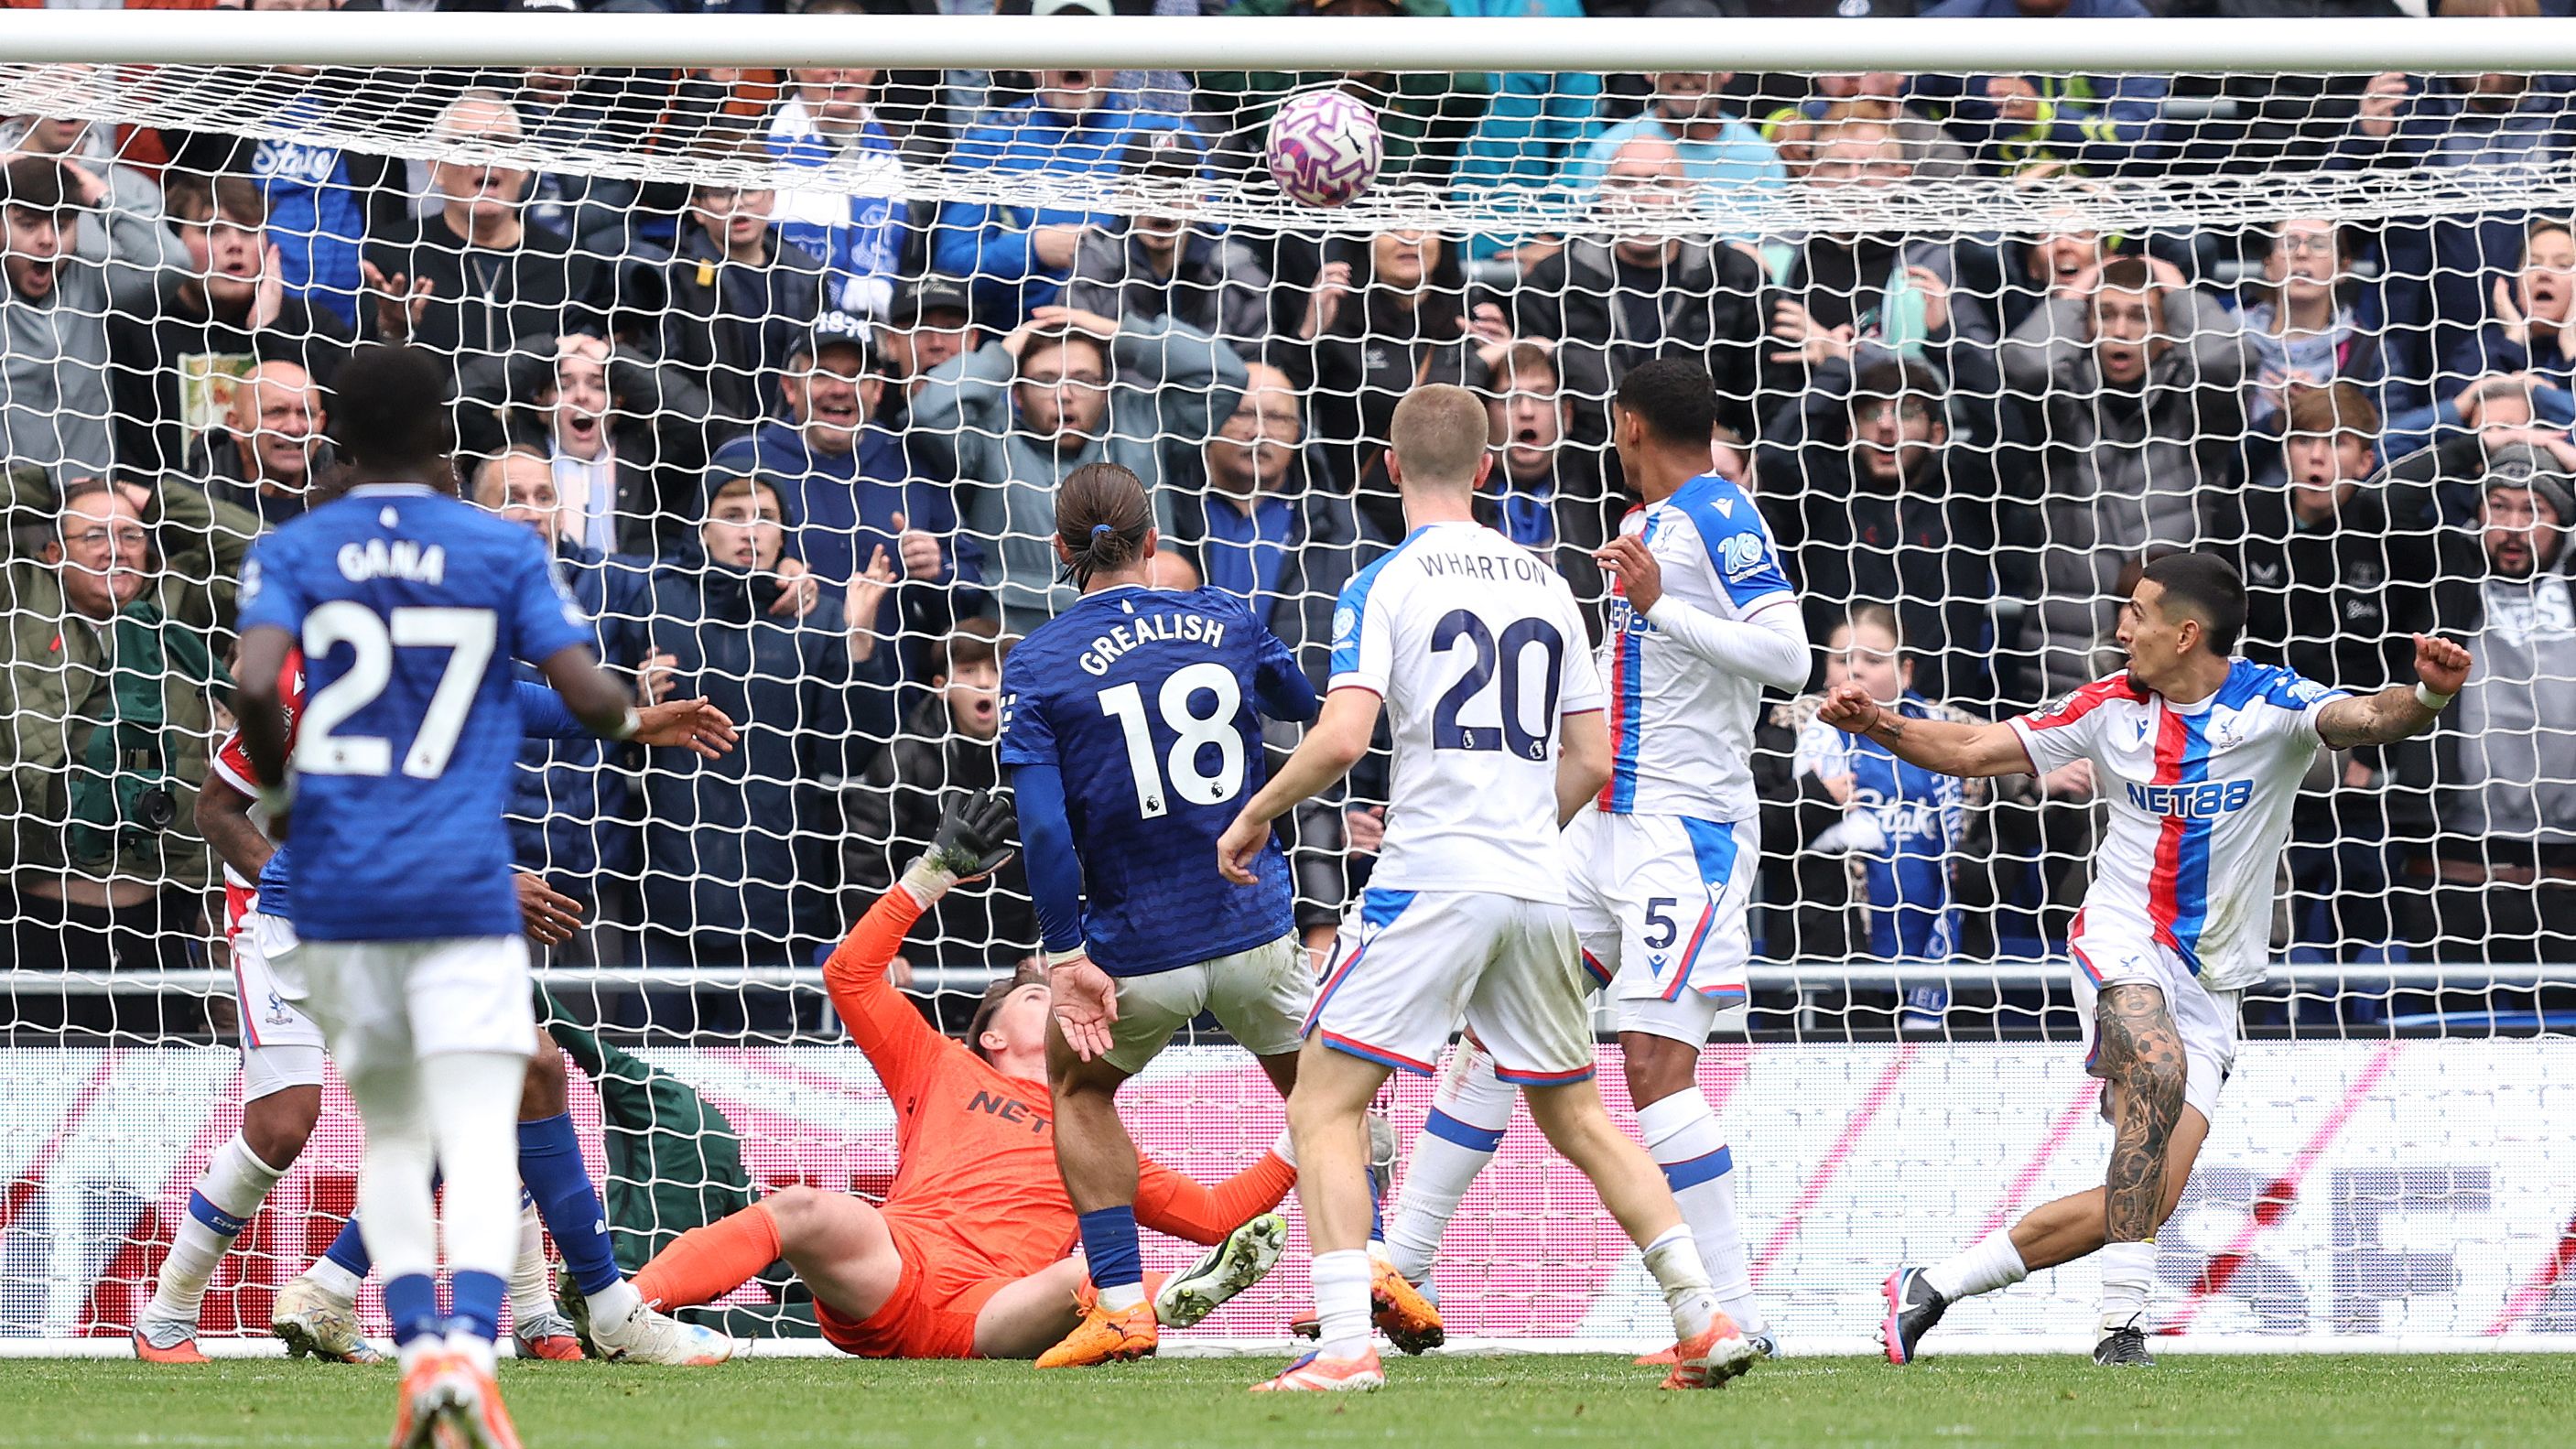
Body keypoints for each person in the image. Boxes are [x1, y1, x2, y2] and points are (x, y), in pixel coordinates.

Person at [1214, 384, 1755, 1392]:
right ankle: (1702, 1311)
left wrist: (1253, 815)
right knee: (1581, 1115)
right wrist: (1516, 832)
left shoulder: (1383, 579)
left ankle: (1343, 1347)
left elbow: (1342, 736)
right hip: (1541, 880)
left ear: (1385, 468)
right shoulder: (1551, 582)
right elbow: (1592, 756)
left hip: (1431, 879)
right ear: (1488, 470)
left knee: (1325, 1104)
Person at [1832, 551, 2472, 1367]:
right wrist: (1877, 724)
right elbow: (1970, 748)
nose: (2122, 626)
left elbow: (2365, 720)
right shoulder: (2109, 706)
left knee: (2140, 1198)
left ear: (2187, 633)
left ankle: (1932, 1285)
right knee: (2156, 1070)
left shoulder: (2270, 704)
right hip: (2121, 934)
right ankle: (2122, 1325)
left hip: (2214, 980)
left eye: (2138, 612)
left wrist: (2429, 695)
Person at [227, 343, 658, 1444]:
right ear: (438, 433)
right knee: (474, 1126)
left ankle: (420, 1352)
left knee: (390, 1130)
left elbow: (250, 686)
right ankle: (470, 1351)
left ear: (342, 431)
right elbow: (586, 697)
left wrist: (283, 792)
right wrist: (627, 707)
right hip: (461, 882)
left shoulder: (294, 545)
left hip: (343, 887)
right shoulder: (489, 547)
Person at [139, 653, 740, 1368]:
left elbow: (525, 705)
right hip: (294, 929)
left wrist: (638, 721)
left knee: (519, 1071)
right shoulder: (310, 677)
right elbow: (219, 807)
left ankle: (541, 1308)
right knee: (288, 1125)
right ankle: (174, 1314)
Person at [1374, 360, 1803, 1361]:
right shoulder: (1650, 524)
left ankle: (1736, 1306)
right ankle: (1405, 1261)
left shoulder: (1717, 511)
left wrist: (1661, 608)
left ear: (1629, 425)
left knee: (1653, 1063)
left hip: (1681, 833)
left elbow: (1787, 657)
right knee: (1497, 1024)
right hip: (1597, 828)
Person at [603, 792, 1300, 1362]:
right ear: (991, 1033)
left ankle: (1172, 1293)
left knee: (1092, 1273)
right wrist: (931, 873)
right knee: (806, 1207)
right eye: (1035, 996)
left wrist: (1312, 1132)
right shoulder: (940, 1063)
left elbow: (1213, 1217)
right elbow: (848, 975)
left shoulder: (1094, 1125)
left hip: (995, 1309)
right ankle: (627, 1309)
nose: (1052, 1002)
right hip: (894, 1268)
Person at [995, 463, 1331, 1368]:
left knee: (1080, 1090)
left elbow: (1042, 829)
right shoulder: (1226, 615)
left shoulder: (1037, 662)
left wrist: (1066, 955)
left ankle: (1121, 1305)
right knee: (1323, 1096)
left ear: (1060, 550)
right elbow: (1310, 711)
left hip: (1137, 948)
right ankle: (1363, 1272)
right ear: (1153, 542)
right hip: (1256, 923)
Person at [1, 475, 255, 989]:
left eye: (130, 535)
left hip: (159, 908)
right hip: (31, 906)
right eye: (93, 536)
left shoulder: (182, 602)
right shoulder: (17, 597)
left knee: (158, 1059)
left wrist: (159, 499)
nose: (114, 550)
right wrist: (45, 488)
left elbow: (266, 552)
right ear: (53, 552)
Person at [2004, 254, 2257, 701]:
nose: (2121, 330)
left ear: (2168, 329)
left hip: (2174, 650)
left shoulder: (2194, 412)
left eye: (2140, 316)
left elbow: (2223, 360)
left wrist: (2178, 290)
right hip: (2067, 645)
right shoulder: (2061, 408)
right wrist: (2073, 294)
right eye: (2106, 314)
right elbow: (2026, 362)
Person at [911, 305, 1245, 634]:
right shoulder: (990, 438)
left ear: (1106, 389)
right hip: (1020, 641)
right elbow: (929, 413)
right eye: (1045, 380)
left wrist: (1117, 333)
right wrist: (1003, 354)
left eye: (1083, 380)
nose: (1065, 394)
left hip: (1138, 634)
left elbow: (1224, 374)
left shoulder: (1143, 425)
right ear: (1017, 393)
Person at [2408, 454, 2576, 964]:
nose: (2513, 528)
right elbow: (2382, 501)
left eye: (2533, 510)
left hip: (2564, 859)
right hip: (2457, 851)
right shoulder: (2444, 574)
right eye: (2498, 508)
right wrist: (2469, 435)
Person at [1791, 606, 1971, 1029]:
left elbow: (2000, 824)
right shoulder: (1789, 731)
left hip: (1945, 956)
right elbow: (1768, 831)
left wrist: (2039, 781)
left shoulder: (1955, 733)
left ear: (1906, 672)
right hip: (1833, 964)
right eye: (1842, 660)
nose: (1856, 670)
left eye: (1872, 660)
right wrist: (1818, 796)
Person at [108, 169, 352, 479]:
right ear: (174, 242)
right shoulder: (138, 329)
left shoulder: (310, 324)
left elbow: (344, 427)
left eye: (249, 231)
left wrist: (270, 333)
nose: (234, 245)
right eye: (213, 230)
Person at [838, 619, 1037, 977]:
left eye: (996, 669)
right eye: (968, 670)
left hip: (1014, 954)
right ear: (941, 687)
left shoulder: (1034, 758)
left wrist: (1045, 945)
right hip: (919, 957)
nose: (984, 681)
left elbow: (1061, 856)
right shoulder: (904, 758)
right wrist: (880, 946)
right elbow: (865, 856)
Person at [1, 154, 180, 482]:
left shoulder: (94, 280)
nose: (47, 240)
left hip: (87, 505)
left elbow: (172, 262)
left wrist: (98, 194)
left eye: (63, 224)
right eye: (28, 225)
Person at [193, 362, 330, 527]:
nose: (294, 428)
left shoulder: (350, 500)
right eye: (276, 412)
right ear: (236, 424)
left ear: (321, 425)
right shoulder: (191, 506)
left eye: (306, 414)